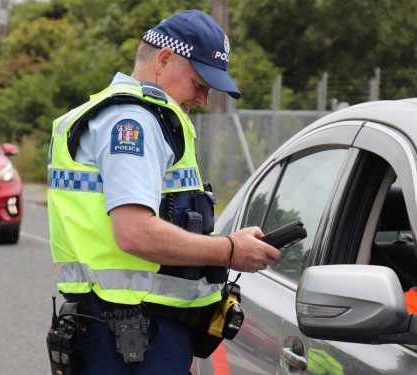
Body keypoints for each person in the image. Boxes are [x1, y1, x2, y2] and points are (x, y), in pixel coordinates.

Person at [46, 10, 282, 374]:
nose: (203, 99)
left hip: (122, 332)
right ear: (165, 59)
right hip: (132, 337)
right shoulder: (134, 123)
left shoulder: (115, 115)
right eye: (200, 83)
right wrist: (230, 250)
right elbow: (134, 233)